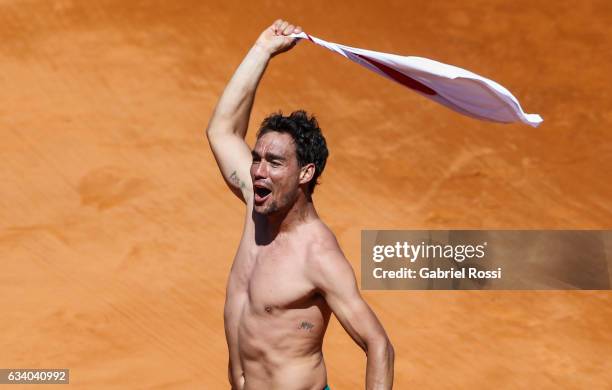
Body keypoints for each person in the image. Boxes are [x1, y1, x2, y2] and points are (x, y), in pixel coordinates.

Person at [206, 19, 394, 390]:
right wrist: (262, 50)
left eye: (274, 163)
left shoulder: (318, 255)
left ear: (305, 173)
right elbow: (222, 130)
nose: (258, 170)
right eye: (256, 158)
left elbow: (379, 345)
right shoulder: (256, 204)